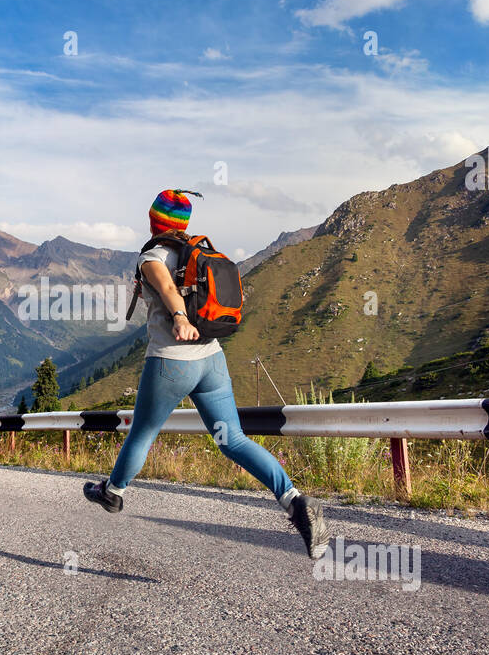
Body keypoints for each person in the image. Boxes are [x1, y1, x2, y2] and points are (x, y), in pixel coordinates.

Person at [82, 189, 329, 558]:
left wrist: (179, 318)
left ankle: (114, 492)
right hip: (211, 360)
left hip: (171, 360)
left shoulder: (153, 255)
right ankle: (294, 501)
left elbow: (165, 287)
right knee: (234, 441)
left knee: (144, 432)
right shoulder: (196, 251)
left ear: (154, 221)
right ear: (184, 224)